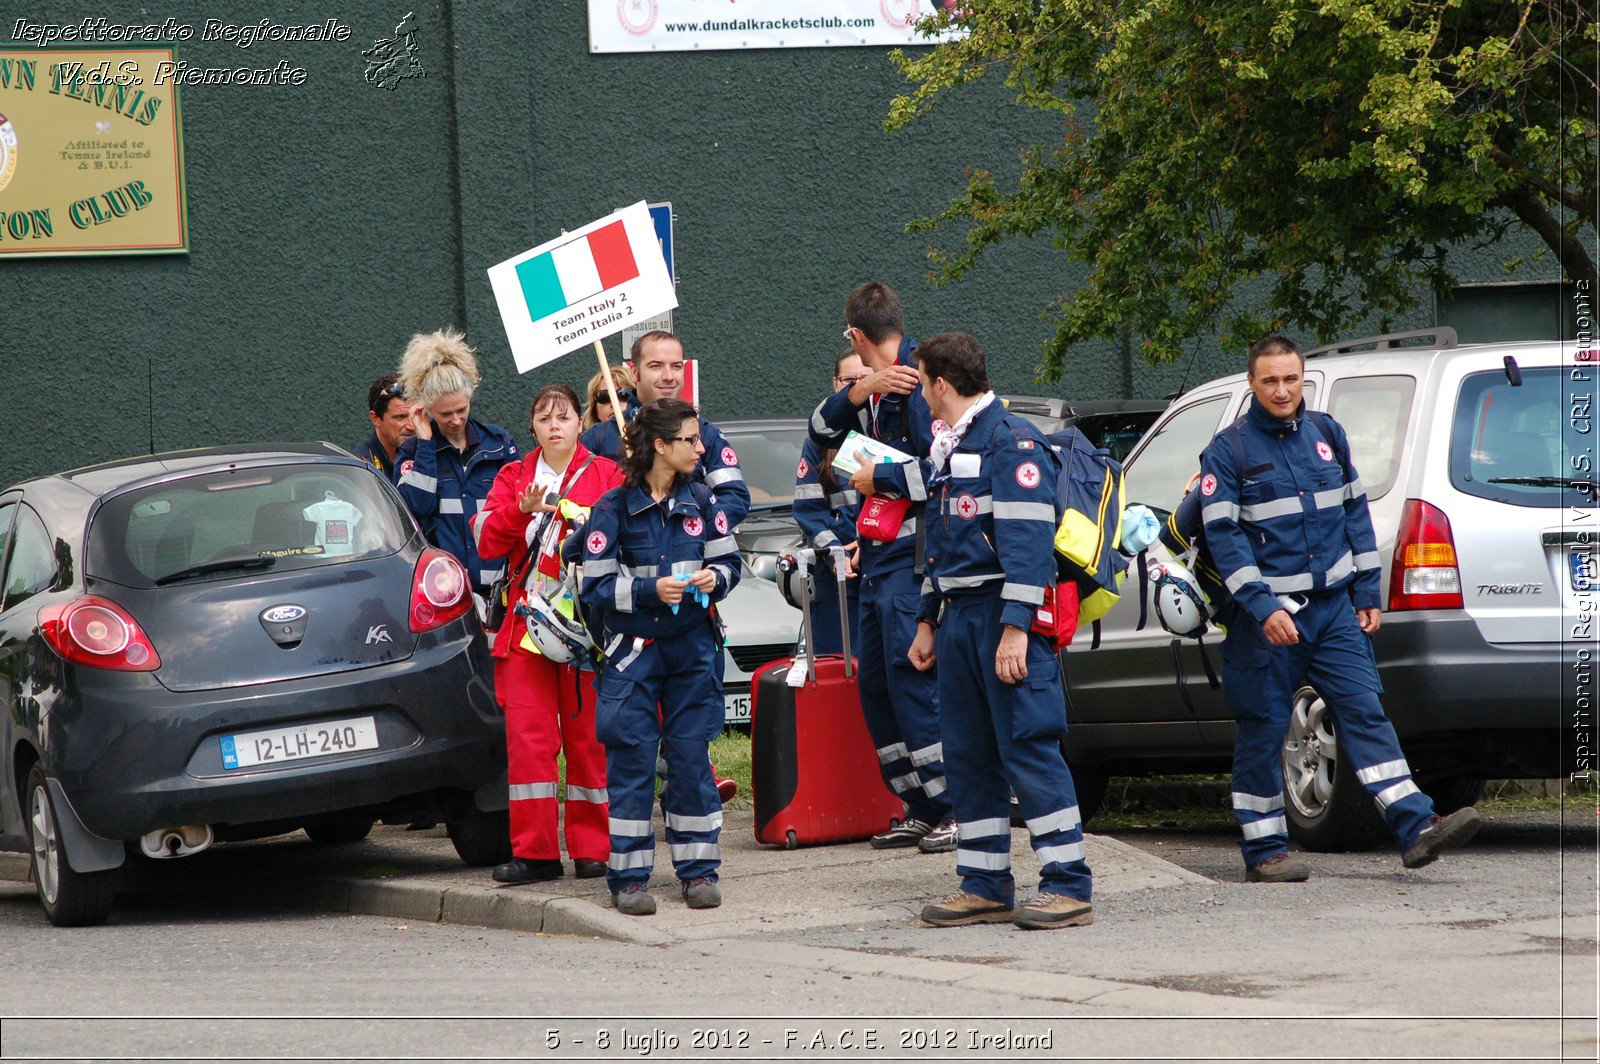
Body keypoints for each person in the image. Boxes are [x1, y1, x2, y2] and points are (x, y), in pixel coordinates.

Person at [1199, 335, 1479, 882]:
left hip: (1333, 614)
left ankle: (1416, 827)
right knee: (1263, 729)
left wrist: (1366, 591)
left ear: (1302, 377)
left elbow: (1354, 513)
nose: (1282, 390)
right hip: (1269, 622)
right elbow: (1224, 538)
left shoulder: (1327, 433)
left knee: (1366, 712)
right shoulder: (1228, 450)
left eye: (1290, 378)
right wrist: (1260, 607)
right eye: (1269, 381)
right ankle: (1265, 853)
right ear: (1252, 384)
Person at [906, 332, 1095, 930]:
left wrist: (1015, 630)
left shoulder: (1011, 442)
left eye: (924, 384)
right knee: (969, 753)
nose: (924, 398)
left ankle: (1068, 884)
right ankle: (985, 884)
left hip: (1001, 617)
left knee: (1028, 747)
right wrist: (928, 620)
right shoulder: (953, 444)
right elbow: (943, 545)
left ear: (940, 383)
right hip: (960, 618)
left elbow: (1029, 547)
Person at [578, 399, 742, 916]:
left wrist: (716, 580)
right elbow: (595, 586)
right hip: (632, 655)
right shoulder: (612, 508)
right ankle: (628, 878)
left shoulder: (702, 501)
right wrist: (651, 590)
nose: (701, 448)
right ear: (660, 446)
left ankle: (698, 871)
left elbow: (731, 563)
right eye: (691, 440)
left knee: (692, 758)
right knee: (632, 761)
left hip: (693, 650)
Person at [809, 282, 955, 853]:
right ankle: (917, 804)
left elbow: (944, 473)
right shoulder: (874, 389)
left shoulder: (920, 386)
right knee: (878, 684)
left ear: (856, 334)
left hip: (913, 564)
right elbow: (820, 432)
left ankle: (953, 805)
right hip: (876, 563)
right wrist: (861, 387)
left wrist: (882, 479)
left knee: (914, 683)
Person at [471, 384, 624, 885]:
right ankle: (535, 853)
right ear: (532, 427)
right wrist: (521, 511)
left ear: (581, 423)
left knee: (588, 742)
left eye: (564, 416)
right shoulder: (513, 476)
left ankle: (592, 851)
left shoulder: (606, 474)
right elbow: (486, 544)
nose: (554, 424)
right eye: (543, 417)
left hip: (586, 629)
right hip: (525, 628)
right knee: (529, 742)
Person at [578, 331, 751, 528]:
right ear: (634, 372)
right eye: (656, 366)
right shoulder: (599, 437)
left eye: (676, 366)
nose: (669, 376)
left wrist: (688, 532)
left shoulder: (706, 434)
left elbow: (734, 499)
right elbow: (578, 505)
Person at [393, 328, 519, 597]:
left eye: (462, 409)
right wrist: (426, 445)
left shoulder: (498, 444)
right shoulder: (412, 452)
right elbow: (416, 507)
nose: (456, 419)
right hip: (445, 590)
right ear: (426, 409)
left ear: (470, 398)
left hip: (499, 588)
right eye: (445, 413)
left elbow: (517, 514)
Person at [792, 351, 866, 655]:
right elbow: (807, 509)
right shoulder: (819, 439)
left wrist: (869, 543)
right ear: (836, 384)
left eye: (866, 380)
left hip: (881, 567)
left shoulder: (888, 432)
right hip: (836, 574)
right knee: (837, 665)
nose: (858, 388)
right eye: (850, 381)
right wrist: (836, 553)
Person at [352, 373, 415, 480]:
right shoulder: (360, 467)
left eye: (416, 415)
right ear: (375, 418)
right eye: (400, 417)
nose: (411, 426)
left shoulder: (433, 456)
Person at [583, 366, 636, 430]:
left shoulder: (650, 438)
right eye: (604, 397)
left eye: (624, 394)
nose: (615, 403)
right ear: (595, 412)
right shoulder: (588, 439)